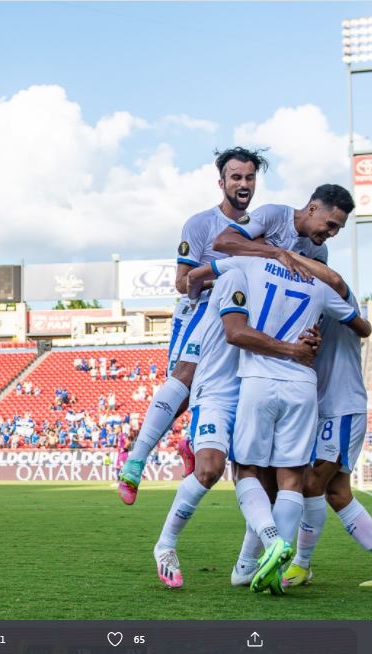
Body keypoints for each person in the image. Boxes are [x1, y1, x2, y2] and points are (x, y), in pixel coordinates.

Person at [211, 250, 370, 595]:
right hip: (302, 385)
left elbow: (205, 269)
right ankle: (266, 563)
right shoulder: (321, 284)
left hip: (259, 378)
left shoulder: (251, 263)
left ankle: (271, 542)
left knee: (247, 471)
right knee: (292, 479)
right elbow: (363, 326)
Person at [150, 264, 319, 588]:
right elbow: (230, 327)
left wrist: (312, 339)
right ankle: (166, 544)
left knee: (262, 480)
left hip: (255, 391)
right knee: (210, 470)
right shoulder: (237, 272)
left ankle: (245, 566)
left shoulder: (280, 286)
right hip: (216, 391)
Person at [118, 147, 267, 503]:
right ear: (222, 182)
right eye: (236, 177)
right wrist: (226, 277)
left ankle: (191, 442)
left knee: (226, 391)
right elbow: (183, 282)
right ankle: (134, 459)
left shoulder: (262, 225)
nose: (243, 184)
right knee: (184, 381)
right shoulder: (201, 224)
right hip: (200, 312)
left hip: (239, 315)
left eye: (249, 177)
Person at [281, 277, 372, 588]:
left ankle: (301, 564)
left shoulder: (339, 299)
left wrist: (288, 256)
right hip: (326, 409)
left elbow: (335, 280)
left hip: (343, 408)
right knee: (338, 494)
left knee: (312, 483)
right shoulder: (311, 314)